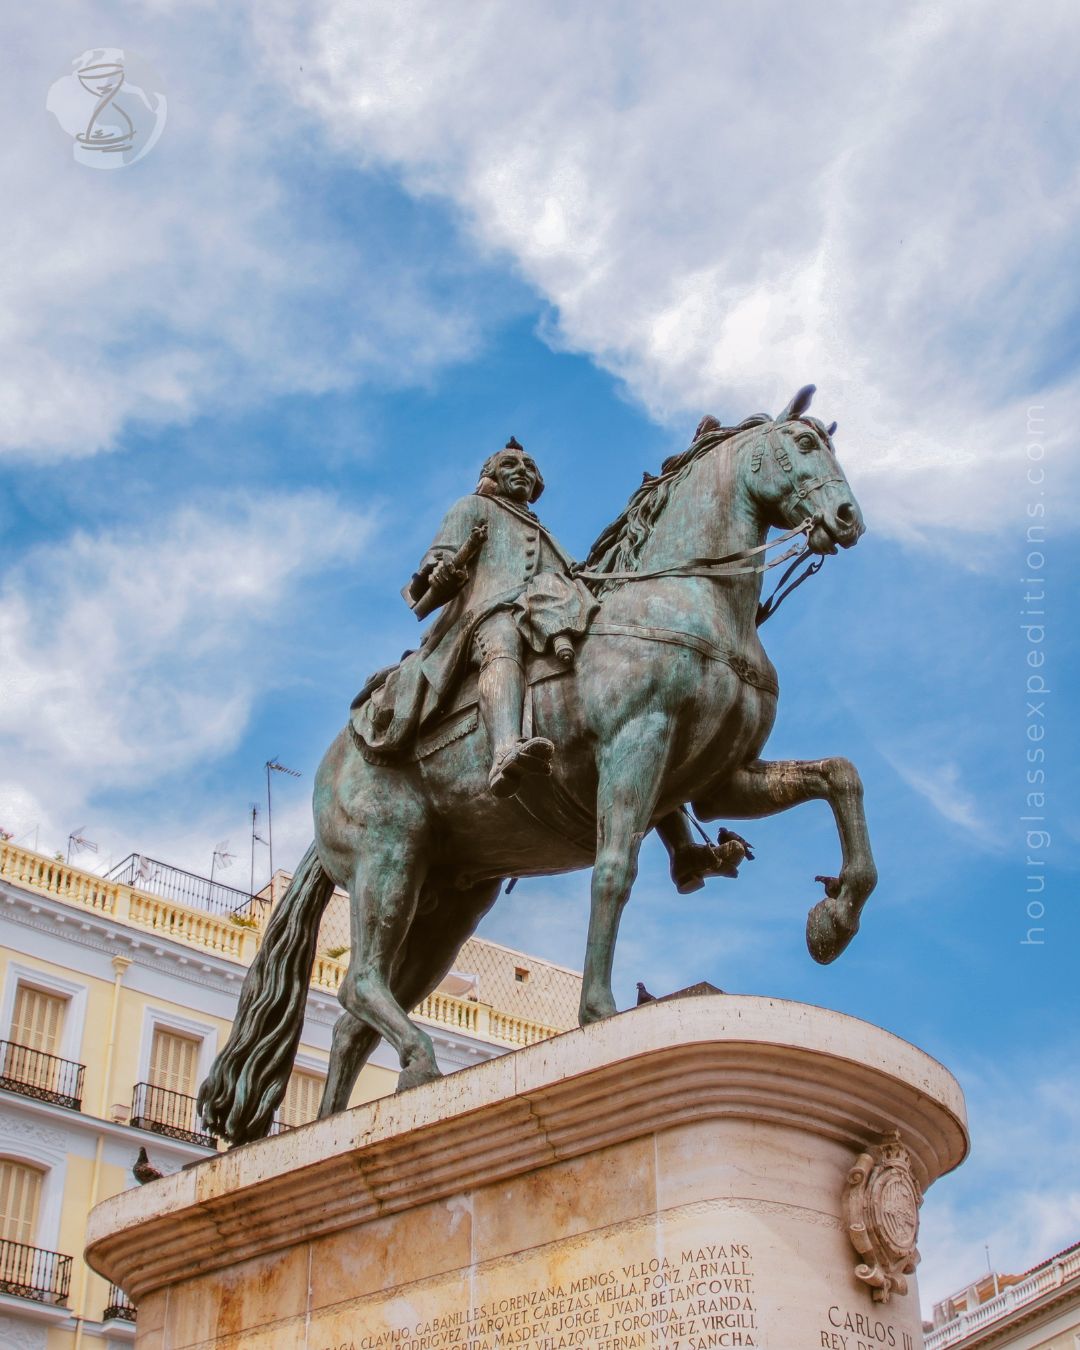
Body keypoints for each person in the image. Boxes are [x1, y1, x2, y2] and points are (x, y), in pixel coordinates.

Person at [405, 437, 594, 798]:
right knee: (502, 639)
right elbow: (435, 565)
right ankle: (505, 749)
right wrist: (442, 572)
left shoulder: (542, 531)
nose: (522, 470)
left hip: (544, 614)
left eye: (529, 468)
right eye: (510, 465)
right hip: (485, 616)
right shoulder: (472, 506)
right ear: (491, 474)